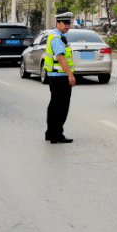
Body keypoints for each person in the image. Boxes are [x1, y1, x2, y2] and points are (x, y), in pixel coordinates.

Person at [43, 11, 76, 143]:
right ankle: (56, 134)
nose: (67, 26)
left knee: (54, 106)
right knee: (61, 107)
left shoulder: (57, 36)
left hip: (56, 77)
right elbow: (61, 58)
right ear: (57, 23)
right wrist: (70, 75)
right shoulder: (57, 38)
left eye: (69, 23)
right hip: (60, 77)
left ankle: (51, 133)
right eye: (64, 23)